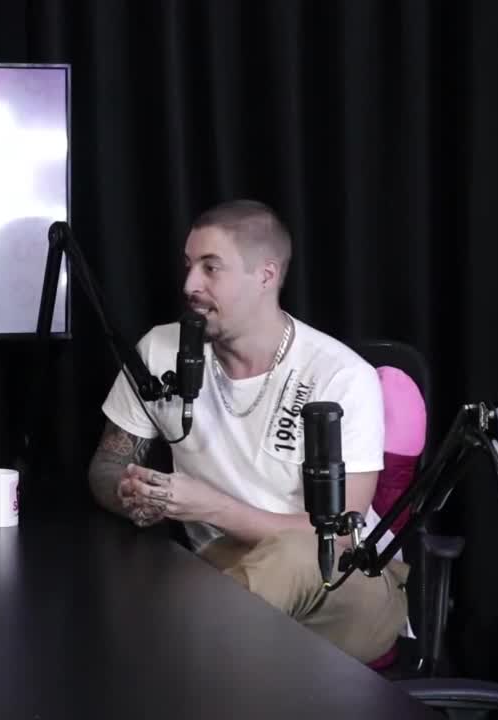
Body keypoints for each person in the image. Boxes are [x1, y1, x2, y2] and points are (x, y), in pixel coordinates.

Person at [89, 199, 408, 663]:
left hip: (344, 579)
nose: (189, 284)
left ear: (266, 275)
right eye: (188, 265)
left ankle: (181, 660)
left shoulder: (339, 375)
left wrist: (210, 506)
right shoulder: (160, 349)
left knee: (289, 556)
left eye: (210, 268)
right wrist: (133, 493)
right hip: (227, 565)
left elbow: (340, 533)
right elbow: (106, 464)